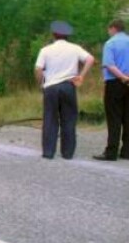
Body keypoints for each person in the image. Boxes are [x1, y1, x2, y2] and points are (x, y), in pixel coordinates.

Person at [34, 21, 94, 159]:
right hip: (68, 85)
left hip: (51, 86)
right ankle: (67, 152)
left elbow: (38, 69)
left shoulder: (46, 50)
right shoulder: (75, 48)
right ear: (68, 35)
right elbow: (90, 59)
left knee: (50, 118)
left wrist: (41, 83)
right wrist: (81, 76)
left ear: (53, 34)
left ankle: (48, 151)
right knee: (68, 119)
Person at [93, 19, 129, 161]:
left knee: (114, 117)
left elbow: (109, 65)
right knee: (128, 117)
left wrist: (123, 78)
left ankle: (111, 151)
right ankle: (126, 151)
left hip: (115, 83)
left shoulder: (110, 43)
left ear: (113, 28)